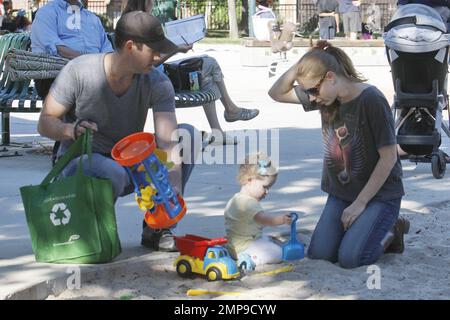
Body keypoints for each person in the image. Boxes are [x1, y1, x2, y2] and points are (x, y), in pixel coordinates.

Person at [37, 11, 201, 252]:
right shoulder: (80, 71)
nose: (158, 56)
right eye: (153, 50)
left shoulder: (157, 82)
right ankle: (93, 232)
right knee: (112, 171)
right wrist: (69, 129)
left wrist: (172, 185)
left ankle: (157, 226)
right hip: (82, 163)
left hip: (130, 165)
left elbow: (169, 142)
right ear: (131, 46)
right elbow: (45, 122)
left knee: (189, 135)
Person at [268, 40, 410, 269]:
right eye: (308, 92)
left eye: (313, 91)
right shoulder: (324, 97)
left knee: (352, 258)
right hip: (342, 194)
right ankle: (364, 228)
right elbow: (276, 92)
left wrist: (360, 203)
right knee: (320, 254)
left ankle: (393, 230)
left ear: (331, 77)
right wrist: (302, 64)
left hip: (379, 195)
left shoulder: (371, 99)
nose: (311, 98)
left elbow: (389, 157)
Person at [122, 0, 260, 145]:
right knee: (208, 65)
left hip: (162, 73)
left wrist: (175, 45)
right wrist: (177, 49)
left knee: (205, 66)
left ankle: (224, 121)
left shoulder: (131, 22)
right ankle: (229, 113)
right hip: (160, 79)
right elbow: (149, 62)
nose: (153, 4)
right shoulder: (140, 25)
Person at [31, 0, 114, 98]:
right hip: (57, 73)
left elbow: (108, 51)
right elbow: (57, 49)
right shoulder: (47, 12)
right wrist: (91, 63)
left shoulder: (92, 18)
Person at [224, 153, 292, 266]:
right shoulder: (249, 204)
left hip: (233, 245)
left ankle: (245, 254)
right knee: (277, 253)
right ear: (250, 180)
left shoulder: (235, 199)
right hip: (244, 247)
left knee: (267, 240)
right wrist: (282, 219)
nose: (267, 192)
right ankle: (250, 259)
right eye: (265, 187)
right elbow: (266, 220)